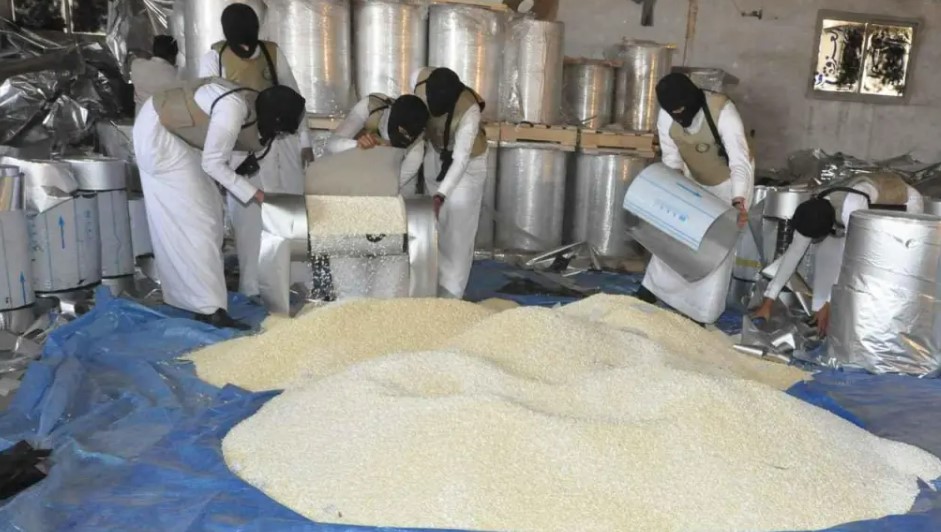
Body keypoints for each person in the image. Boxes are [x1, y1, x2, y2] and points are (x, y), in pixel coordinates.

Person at [133, 77, 306, 329]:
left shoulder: (250, 106)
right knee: (199, 221)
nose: (277, 136)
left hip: (178, 135)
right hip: (159, 136)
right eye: (280, 131)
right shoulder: (233, 109)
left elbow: (221, 147)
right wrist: (258, 195)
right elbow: (213, 163)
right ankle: (210, 310)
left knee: (211, 213)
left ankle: (192, 300)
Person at [198, 3, 314, 299]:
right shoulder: (215, 57)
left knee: (291, 211)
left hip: (281, 141)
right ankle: (252, 288)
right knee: (249, 222)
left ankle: (297, 282)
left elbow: (295, 96)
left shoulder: (272, 53)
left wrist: (305, 142)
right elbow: (208, 107)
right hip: (241, 148)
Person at [635, 72, 755, 325]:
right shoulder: (666, 116)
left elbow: (740, 162)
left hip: (730, 183)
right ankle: (654, 289)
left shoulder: (723, 112)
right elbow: (671, 158)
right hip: (693, 178)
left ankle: (701, 313)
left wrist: (739, 201)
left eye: (682, 110)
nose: (679, 116)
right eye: (674, 112)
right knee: (675, 233)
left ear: (691, 100)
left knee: (716, 246)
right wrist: (676, 189)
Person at [752, 173, 924, 335]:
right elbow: (793, 254)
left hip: (906, 203)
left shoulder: (852, 209)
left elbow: (851, 259)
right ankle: (824, 313)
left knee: (886, 264)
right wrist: (768, 301)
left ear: (827, 229)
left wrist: (829, 304)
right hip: (870, 211)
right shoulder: (813, 210)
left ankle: (886, 324)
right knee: (829, 255)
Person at [407, 67, 489, 299]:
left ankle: (452, 293)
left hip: (468, 165)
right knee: (436, 224)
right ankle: (432, 281)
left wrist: (440, 195)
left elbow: (460, 159)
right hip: (437, 154)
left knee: (457, 230)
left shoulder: (469, 111)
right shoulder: (420, 81)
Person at [325, 93, 429, 191]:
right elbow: (331, 144)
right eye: (402, 132)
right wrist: (356, 145)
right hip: (353, 172)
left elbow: (390, 186)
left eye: (410, 136)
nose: (406, 137)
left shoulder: (416, 150)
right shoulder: (371, 107)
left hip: (390, 182)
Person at [130, 35, 180, 114]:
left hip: (140, 116)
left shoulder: (136, 65)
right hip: (162, 118)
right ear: (171, 56)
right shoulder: (174, 74)